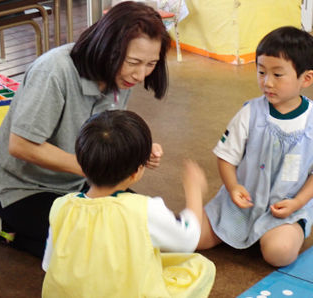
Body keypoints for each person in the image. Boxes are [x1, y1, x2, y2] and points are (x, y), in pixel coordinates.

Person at [0, 1, 171, 258]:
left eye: (150, 64)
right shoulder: (54, 71)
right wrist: (93, 167)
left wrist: (139, 150)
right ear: (108, 47)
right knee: (95, 248)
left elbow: (107, 134)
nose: (140, 75)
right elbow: (20, 145)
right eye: (133, 61)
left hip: (81, 182)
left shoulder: (119, 77)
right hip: (23, 188)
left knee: (142, 226)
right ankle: (8, 226)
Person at [197, 26, 313, 267]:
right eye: (261, 71)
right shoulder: (250, 112)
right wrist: (233, 187)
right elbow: (226, 157)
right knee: (192, 236)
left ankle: (281, 233)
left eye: (277, 74)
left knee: (279, 254)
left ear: (306, 78)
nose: (267, 82)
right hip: (240, 204)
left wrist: (297, 203)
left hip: (285, 210)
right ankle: (235, 229)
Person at [41, 110, 215, 297]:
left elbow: (49, 265)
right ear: (135, 173)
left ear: (83, 164)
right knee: (200, 266)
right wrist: (194, 191)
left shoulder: (61, 205)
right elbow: (188, 239)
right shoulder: (144, 209)